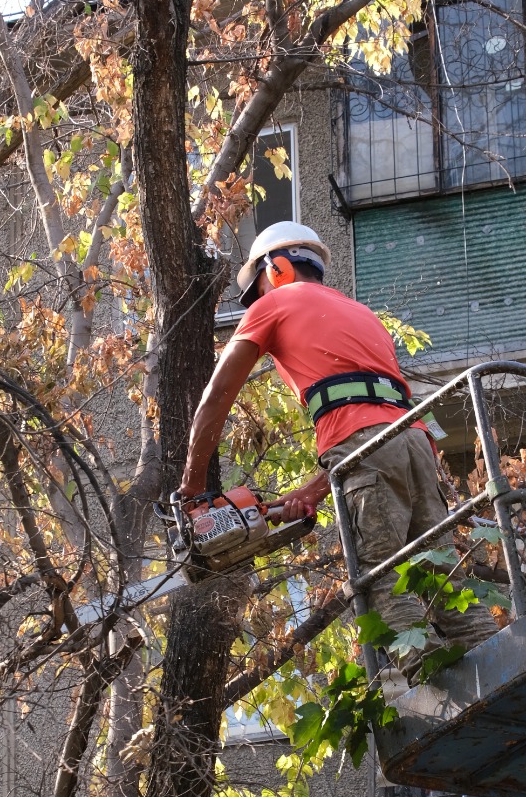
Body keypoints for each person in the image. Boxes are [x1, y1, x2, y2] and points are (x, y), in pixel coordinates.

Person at [179, 220, 497, 688]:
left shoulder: (276, 304)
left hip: (367, 451)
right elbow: (369, 423)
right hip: (415, 444)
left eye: (258, 290)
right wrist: (312, 490)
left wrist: (191, 490)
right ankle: (497, 665)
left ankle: (437, 689)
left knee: (381, 575)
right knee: (441, 578)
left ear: (278, 267)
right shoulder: (361, 313)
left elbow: (216, 398)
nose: (257, 302)